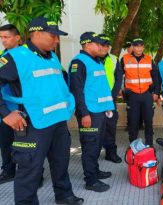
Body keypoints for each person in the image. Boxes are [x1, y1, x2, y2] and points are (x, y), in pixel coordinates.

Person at [0, 16, 83, 205]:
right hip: (32, 124)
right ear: (36, 33)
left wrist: (69, 104)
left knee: (61, 162)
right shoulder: (14, 57)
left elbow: (59, 84)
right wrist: (6, 113)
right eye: (53, 36)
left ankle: (64, 195)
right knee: (30, 170)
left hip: (58, 122)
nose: (57, 40)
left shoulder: (51, 56)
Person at [69, 32, 115, 192]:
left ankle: (94, 171)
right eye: (98, 44)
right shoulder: (79, 63)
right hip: (89, 113)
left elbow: (99, 88)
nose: (102, 47)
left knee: (97, 145)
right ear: (87, 44)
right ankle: (91, 180)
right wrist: (84, 114)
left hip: (100, 111)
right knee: (90, 146)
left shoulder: (96, 61)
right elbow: (76, 90)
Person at [120, 38, 160, 146]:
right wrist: (120, 89)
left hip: (147, 95)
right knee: (133, 122)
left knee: (148, 121)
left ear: (143, 47)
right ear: (132, 46)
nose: (139, 48)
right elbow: (118, 75)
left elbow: (155, 76)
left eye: (141, 45)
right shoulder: (124, 59)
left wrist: (156, 92)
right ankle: (133, 146)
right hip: (132, 95)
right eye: (136, 46)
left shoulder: (149, 59)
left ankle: (149, 145)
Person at [0, 24, 21, 185]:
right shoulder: (4, 56)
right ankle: (8, 171)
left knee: (27, 145)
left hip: (22, 110)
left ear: (17, 37)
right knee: (6, 143)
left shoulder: (25, 56)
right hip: (5, 110)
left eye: (6, 37)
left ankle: (37, 175)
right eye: (1, 37)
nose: (3, 40)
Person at [98, 34, 123, 163]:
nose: (105, 47)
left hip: (109, 100)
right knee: (95, 128)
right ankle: (94, 153)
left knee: (110, 127)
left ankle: (111, 153)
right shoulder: (89, 58)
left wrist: (111, 96)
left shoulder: (113, 59)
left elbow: (119, 78)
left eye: (107, 45)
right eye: (103, 45)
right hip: (94, 101)